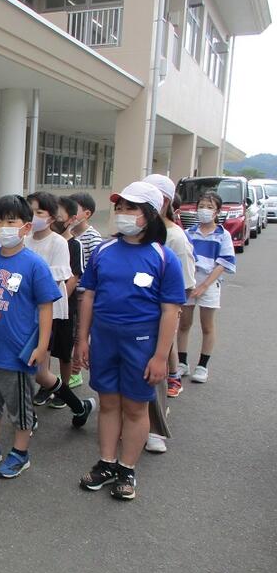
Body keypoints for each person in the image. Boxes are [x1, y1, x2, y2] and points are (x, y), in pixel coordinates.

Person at [74, 181, 185, 501]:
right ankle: (107, 463)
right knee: (108, 403)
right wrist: (83, 339)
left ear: (149, 214)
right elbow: (89, 296)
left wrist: (161, 357)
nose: (122, 213)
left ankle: (127, 469)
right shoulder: (103, 251)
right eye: (119, 207)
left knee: (136, 408)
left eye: (130, 208)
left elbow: (170, 311)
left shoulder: (163, 257)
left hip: (141, 342)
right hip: (104, 339)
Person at [0, 195, 61, 478]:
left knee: (20, 408)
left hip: (16, 354)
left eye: (11, 221)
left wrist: (42, 346)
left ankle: (20, 453)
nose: (4, 227)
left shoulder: (34, 264)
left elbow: (46, 307)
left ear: (26, 227)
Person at [25, 192, 94, 426]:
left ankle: (71, 405)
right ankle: (77, 406)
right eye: (30, 212)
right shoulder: (24, 238)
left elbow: (57, 280)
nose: (33, 217)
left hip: (47, 314)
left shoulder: (59, 243)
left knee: (37, 370)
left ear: (52, 217)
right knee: (31, 369)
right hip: (22, 312)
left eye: (39, 212)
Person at [143, 174, 196, 454]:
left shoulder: (175, 237)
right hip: (131, 321)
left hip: (157, 318)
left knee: (155, 375)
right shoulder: (137, 234)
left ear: (163, 201)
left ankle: (155, 429)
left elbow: (184, 287)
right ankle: (136, 423)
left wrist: (169, 318)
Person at [177, 191, 235, 384]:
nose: (204, 210)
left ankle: (202, 366)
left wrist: (204, 285)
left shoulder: (223, 235)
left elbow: (223, 263)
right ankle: (182, 362)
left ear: (217, 212)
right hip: (189, 281)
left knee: (207, 325)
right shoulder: (188, 233)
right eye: (201, 206)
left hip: (209, 282)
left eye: (210, 207)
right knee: (184, 323)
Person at [67, 192, 104, 389]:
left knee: (79, 333)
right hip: (71, 290)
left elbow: (96, 267)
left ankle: (75, 372)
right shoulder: (67, 233)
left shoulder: (93, 237)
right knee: (70, 331)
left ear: (87, 213)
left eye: (74, 208)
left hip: (83, 293)